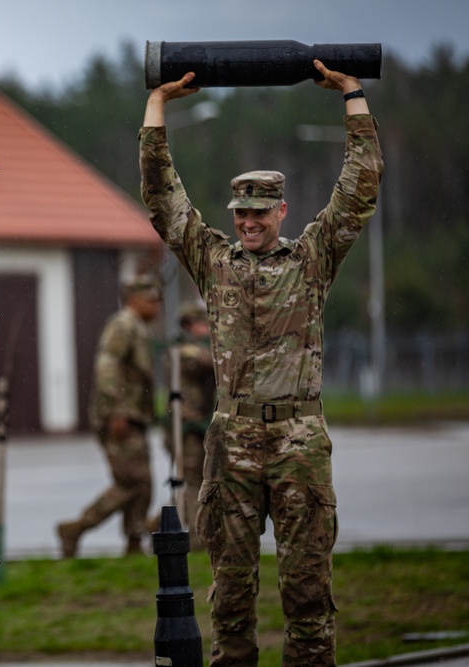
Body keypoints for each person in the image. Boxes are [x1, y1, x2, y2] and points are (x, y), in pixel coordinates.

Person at [139, 60, 383, 666]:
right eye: (240, 213)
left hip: (299, 439)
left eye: (259, 213)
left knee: (306, 590)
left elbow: (360, 187)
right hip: (234, 437)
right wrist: (158, 105)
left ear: (280, 211)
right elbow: (163, 199)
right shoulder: (214, 260)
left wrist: (351, 94)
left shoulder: (310, 261)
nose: (247, 223)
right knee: (231, 593)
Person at [57, 275, 162, 559]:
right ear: (134, 299)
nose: (157, 306)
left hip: (133, 416)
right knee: (133, 479)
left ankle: (134, 542)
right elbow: (108, 365)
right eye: (151, 300)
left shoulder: (139, 329)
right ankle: (77, 528)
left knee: (142, 481)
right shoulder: (123, 325)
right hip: (120, 415)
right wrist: (116, 409)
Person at [149, 301, 215, 551]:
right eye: (202, 323)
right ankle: (197, 538)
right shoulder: (182, 350)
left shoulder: (196, 347)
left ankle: (158, 523)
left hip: (197, 424)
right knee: (191, 480)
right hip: (183, 427)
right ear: (188, 325)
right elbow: (209, 363)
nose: (207, 329)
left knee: (195, 479)